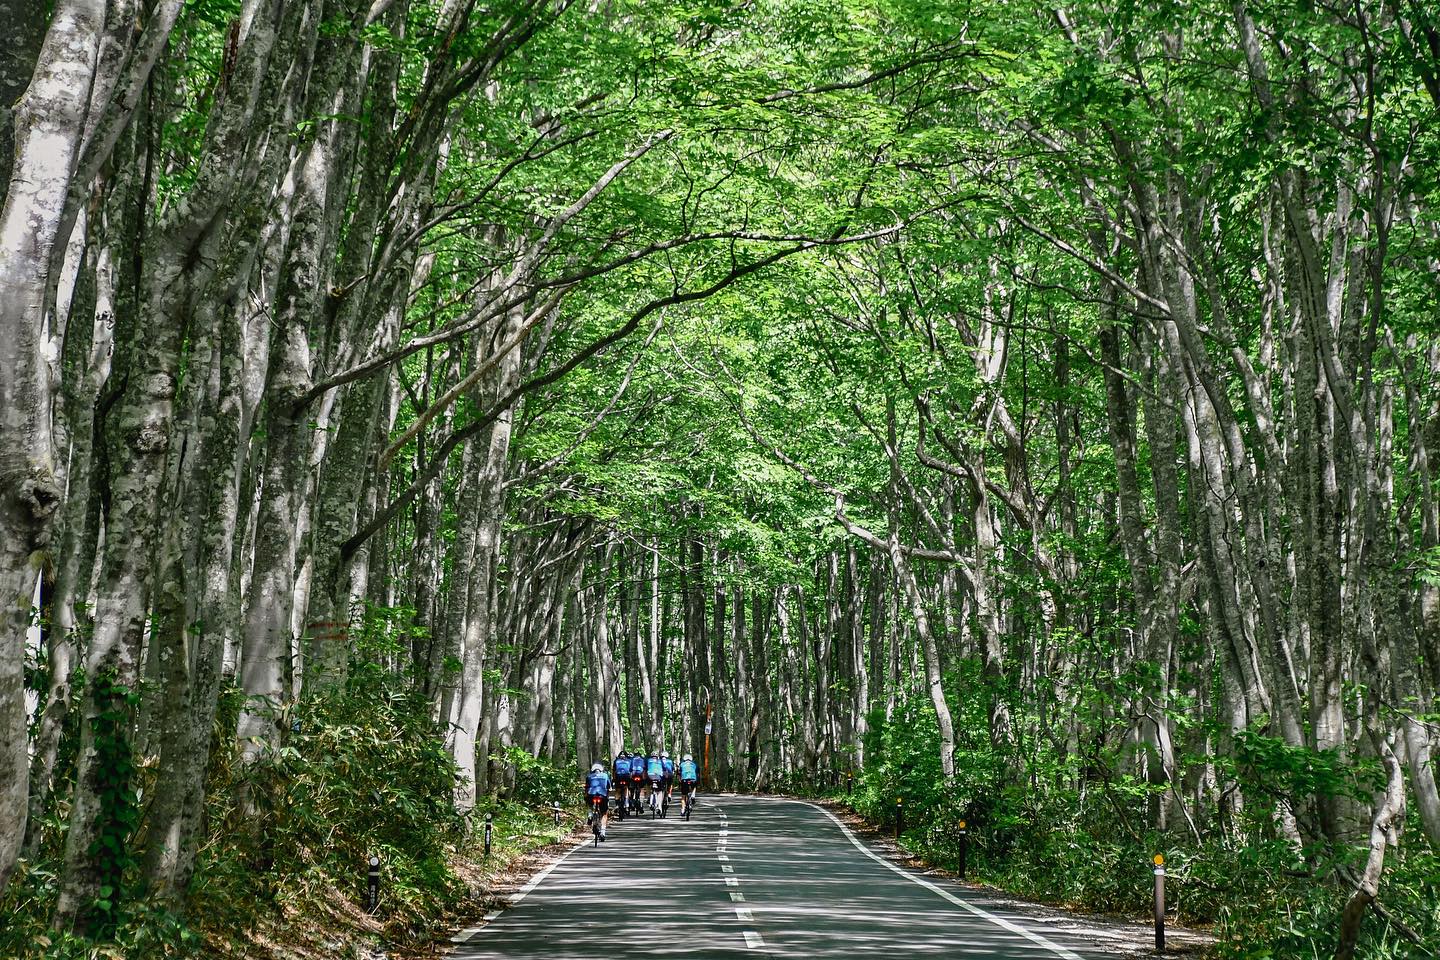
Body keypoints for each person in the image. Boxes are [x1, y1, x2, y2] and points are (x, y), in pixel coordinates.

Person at [585, 762, 611, 840]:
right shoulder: (605, 775)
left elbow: (586, 787)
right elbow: (609, 787)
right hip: (602, 795)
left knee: (589, 803)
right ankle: (603, 832)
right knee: (604, 813)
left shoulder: (589, 776)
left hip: (591, 794)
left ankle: (590, 815)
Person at [611, 750, 632, 818]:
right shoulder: (629, 761)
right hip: (626, 777)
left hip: (618, 777)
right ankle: (626, 804)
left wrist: (613, 779)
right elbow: (631, 771)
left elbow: (614, 770)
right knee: (626, 788)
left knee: (617, 790)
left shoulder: (616, 761)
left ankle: (617, 804)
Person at [628, 748, 647, 813]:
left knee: (631, 789)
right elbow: (645, 768)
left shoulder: (632, 759)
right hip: (641, 776)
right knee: (641, 789)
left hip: (633, 776)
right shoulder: (643, 759)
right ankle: (641, 803)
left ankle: (631, 801)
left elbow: (630, 769)